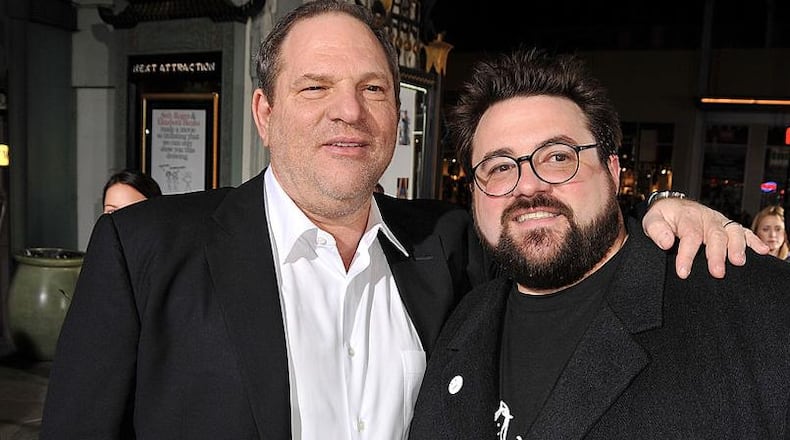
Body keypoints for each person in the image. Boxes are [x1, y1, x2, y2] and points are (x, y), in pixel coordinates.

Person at [40, 3, 764, 439]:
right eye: (315, 87)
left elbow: (547, 223)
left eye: (372, 89)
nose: (347, 112)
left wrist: (665, 210)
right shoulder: (145, 252)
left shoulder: (448, 244)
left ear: (396, 117)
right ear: (264, 113)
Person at [408, 48, 790, 440]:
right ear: (474, 191)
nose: (528, 186)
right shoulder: (463, 320)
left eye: (558, 157)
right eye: (500, 167)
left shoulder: (749, 305)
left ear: (612, 169)